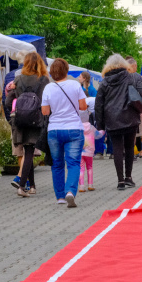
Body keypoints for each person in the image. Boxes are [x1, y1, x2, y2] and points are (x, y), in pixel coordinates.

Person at [95, 54, 142, 190]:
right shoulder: (132, 77)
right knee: (129, 147)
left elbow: (99, 104)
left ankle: (120, 181)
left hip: (112, 119)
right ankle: (128, 178)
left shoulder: (104, 82)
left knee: (117, 149)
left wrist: (101, 124)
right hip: (130, 117)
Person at [41, 58, 87, 207]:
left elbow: (45, 111)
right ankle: (70, 192)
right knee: (73, 163)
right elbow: (83, 106)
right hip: (74, 128)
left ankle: (60, 197)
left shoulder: (48, 88)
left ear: (52, 73)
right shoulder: (75, 85)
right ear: (66, 70)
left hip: (54, 130)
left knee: (57, 164)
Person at [7, 52, 48, 196]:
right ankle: (22, 186)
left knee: (27, 150)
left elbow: (7, 102)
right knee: (30, 151)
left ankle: (33, 186)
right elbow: (45, 101)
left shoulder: (17, 80)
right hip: (35, 119)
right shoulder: (43, 80)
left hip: (19, 120)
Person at [79, 117, 102, 192]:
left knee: (81, 168)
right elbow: (98, 135)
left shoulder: (78, 127)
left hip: (81, 151)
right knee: (89, 167)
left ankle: (81, 186)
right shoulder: (91, 127)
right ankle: (90, 185)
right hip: (90, 151)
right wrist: (103, 131)